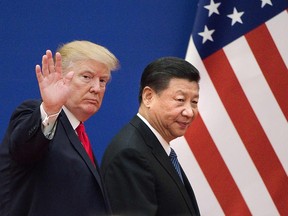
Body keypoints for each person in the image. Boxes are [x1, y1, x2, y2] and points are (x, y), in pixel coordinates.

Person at [0, 40, 119, 216]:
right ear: (60, 77)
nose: (97, 88)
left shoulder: (78, 132)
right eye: (86, 77)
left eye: (103, 81)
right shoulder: (35, 113)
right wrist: (50, 109)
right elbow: (23, 148)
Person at [101, 57, 201, 216]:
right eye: (180, 100)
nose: (189, 112)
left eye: (194, 102)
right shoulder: (130, 154)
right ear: (148, 96)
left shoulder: (156, 147)